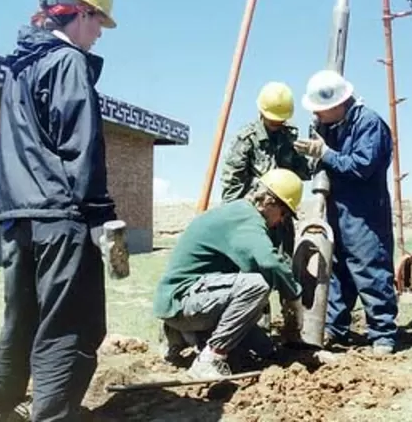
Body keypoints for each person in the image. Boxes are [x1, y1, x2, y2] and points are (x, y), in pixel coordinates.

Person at [0, 0, 119, 420]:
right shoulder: (68, 63)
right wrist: (101, 216)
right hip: (61, 217)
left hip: (17, 215)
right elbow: (81, 150)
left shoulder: (20, 66)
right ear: (80, 12)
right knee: (70, 325)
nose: (100, 32)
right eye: (98, 21)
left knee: (21, 321)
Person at [153, 168, 305, 380]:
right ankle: (210, 359)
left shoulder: (238, 213)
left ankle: (183, 335)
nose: (281, 221)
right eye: (284, 213)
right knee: (257, 286)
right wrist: (295, 298)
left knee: (263, 349)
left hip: (187, 301)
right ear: (270, 201)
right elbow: (269, 262)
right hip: (184, 302)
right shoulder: (247, 219)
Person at [293, 69, 398, 355]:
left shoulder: (369, 124)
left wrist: (324, 153)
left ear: (336, 104)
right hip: (337, 209)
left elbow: (361, 167)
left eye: (319, 110)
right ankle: (335, 328)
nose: (316, 115)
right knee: (337, 270)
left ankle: (383, 334)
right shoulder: (331, 125)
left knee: (369, 267)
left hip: (365, 212)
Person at [220, 81, 314, 255]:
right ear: (261, 112)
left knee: (283, 267)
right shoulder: (245, 141)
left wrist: (314, 154)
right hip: (256, 219)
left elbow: (304, 172)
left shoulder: (289, 138)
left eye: (281, 120)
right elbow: (232, 189)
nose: (277, 123)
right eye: (273, 119)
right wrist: (237, 224)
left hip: (283, 219)